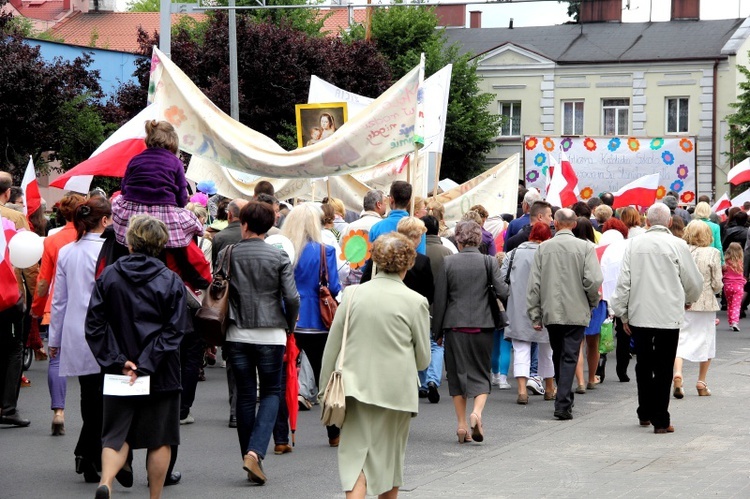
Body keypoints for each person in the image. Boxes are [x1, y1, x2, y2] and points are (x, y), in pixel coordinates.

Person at [86, 215, 191, 499]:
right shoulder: (171, 280)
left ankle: (106, 481)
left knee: (115, 433)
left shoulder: (108, 276)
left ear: (130, 242)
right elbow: (176, 329)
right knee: (160, 438)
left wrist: (119, 360)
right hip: (160, 370)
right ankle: (154, 497)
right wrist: (145, 363)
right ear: (160, 245)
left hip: (118, 370)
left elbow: (94, 325)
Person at [320, 233, 430, 499]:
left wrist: (325, 390)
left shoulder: (353, 293)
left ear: (376, 260)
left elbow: (333, 346)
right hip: (398, 393)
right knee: (390, 460)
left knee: (355, 457)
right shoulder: (416, 302)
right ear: (408, 264)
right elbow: (423, 358)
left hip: (355, 388)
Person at [215, 201, 300, 485]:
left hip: (237, 332)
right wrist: (290, 323)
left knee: (246, 395)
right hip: (272, 332)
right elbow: (291, 297)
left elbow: (217, 288)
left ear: (245, 224)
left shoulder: (228, 253)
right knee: (272, 392)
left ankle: (248, 456)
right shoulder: (278, 257)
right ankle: (255, 452)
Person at [610, 203, 703, 434]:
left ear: (647, 221)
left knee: (643, 364)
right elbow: (693, 280)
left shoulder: (634, 245)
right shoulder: (678, 245)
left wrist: (622, 313)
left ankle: (644, 411)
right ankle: (661, 419)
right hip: (668, 315)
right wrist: (689, 299)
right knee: (664, 367)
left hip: (640, 314)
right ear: (669, 222)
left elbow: (624, 282)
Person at [49, 197, 113, 484]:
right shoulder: (111, 252)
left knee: (89, 395)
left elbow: (59, 300)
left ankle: (87, 452)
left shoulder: (67, 251)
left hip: (76, 331)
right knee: (108, 398)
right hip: (107, 332)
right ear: (104, 220)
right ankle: (90, 452)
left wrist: (55, 337)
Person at [527, 208, 603, 421]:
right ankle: (563, 402)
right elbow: (594, 280)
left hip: (551, 310)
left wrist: (535, 314)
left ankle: (564, 398)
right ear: (575, 225)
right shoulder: (586, 247)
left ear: (556, 224)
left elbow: (534, 284)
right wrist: (592, 301)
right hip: (576, 309)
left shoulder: (543, 249)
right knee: (569, 355)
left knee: (559, 353)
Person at [433, 221, 502, 443]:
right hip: (483, 325)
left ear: (458, 239)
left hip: (454, 326)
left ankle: (462, 425)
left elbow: (440, 300)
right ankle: (477, 413)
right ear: (479, 239)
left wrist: (438, 332)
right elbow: (503, 291)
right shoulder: (489, 262)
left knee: (456, 375)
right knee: (481, 372)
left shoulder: (448, 263)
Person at [281, 203, 342, 447]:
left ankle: (280, 436)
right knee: (324, 378)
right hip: (318, 320)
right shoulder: (324, 251)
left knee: (282, 378)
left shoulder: (285, 251)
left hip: (289, 319)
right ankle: (334, 432)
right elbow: (335, 287)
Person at [31, 191, 86, 434]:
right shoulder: (92, 238)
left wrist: (36, 307)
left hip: (57, 306)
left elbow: (43, 281)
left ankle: (59, 412)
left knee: (57, 358)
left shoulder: (51, 241)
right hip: (88, 307)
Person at [111, 120, 203, 250]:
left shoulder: (135, 159)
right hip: (163, 211)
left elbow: (124, 190)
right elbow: (182, 195)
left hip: (133, 212)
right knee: (191, 219)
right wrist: (178, 208)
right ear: (172, 141)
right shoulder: (175, 162)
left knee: (117, 201)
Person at [499, 223, 555, 405]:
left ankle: (522, 391)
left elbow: (501, 280)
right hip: (546, 306)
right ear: (547, 237)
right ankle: (548, 388)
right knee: (547, 349)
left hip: (519, 306)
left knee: (521, 349)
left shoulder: (513, 254)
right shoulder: (549, 254)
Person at [672, 221, 722, 399]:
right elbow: (717, 284)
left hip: (683, 302)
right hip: (706, 304)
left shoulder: (681, 251)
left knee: (680, 340)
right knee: (706, 341)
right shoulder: (713, 253)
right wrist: (714, 290)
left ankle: (678, 373)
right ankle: (701, 382)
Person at [210, 198, 248, 429]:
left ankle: (235, 411)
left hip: (230, 308)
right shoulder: (267, 244)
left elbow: (217, 274)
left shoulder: (221, 239)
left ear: (230, 215)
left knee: (235, 362)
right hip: (257, 313)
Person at [0, 171, 34, 428]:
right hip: (8, 296)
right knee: (13, 350)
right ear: (8, 192)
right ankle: (8, 408)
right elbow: (27, 261)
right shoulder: (11, 221)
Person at [419, 215, 452, 402]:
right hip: (440, 305)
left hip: (418, 303)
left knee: (420, 343)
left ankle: (423, 382)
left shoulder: (416, 252)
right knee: (437, 344)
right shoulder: (446, 252)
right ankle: (432, 380)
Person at [572, 217, 606, 393]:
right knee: (594, 342)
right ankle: (592, 377)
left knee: (578, 343)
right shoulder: (597, 250)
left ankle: (580, 381)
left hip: (575, 299)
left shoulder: (571, 248)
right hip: (597, 299)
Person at [342, 190, 386, 285]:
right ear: (378, 204)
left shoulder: (349, 227)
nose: (386, 205)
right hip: (374, 280)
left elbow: (342, 255)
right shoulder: (382, 227)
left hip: (351, 281)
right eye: (385, 202)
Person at [369, 181, 426, 254]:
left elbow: (371, 258)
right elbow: (421, 259)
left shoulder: (376, 228)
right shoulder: (418, 228)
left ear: (391, 199)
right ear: (409, 201)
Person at [724, 242, 746, 332]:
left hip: (728, 285)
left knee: (729, 304)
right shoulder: (741, 263)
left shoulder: (726, 262)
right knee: (736, 305)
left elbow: (723, 272)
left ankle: (730, 321)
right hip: (739, 286)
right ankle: (734, 322)